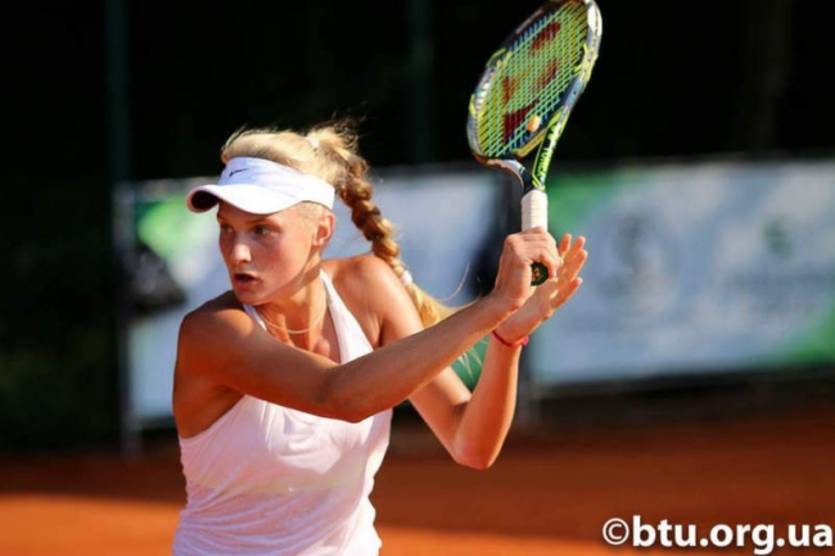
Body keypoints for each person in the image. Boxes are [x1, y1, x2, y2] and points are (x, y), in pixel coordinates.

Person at [171, 120, 588, 555]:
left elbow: (471, 443)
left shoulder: (367, 290)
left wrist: (506, 338)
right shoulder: (211, 333)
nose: (237, 252)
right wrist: (494, 306)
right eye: (226, 228)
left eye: (261, 230)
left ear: (321, 231)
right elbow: (339, 396)